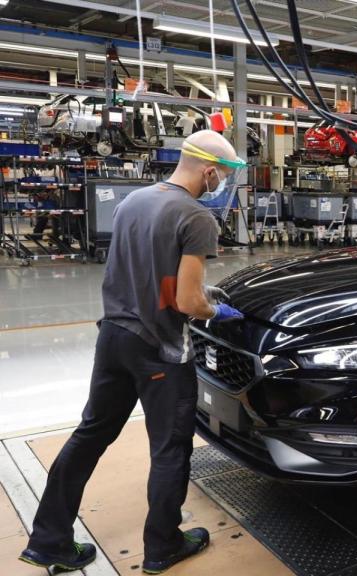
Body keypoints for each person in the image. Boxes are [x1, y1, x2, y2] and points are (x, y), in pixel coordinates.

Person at [19, 130, 247, 575]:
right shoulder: (197, 217)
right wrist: (215, 309)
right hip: (160, 350)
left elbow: (144, 271)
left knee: (90, 435)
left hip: (114, 339)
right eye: (225, 173)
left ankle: (48, 541)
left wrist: (197, 290)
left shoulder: (132, 202)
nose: (223, 182)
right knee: (170, 448)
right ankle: (163, 546)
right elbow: (187, 305)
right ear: (209, 170)